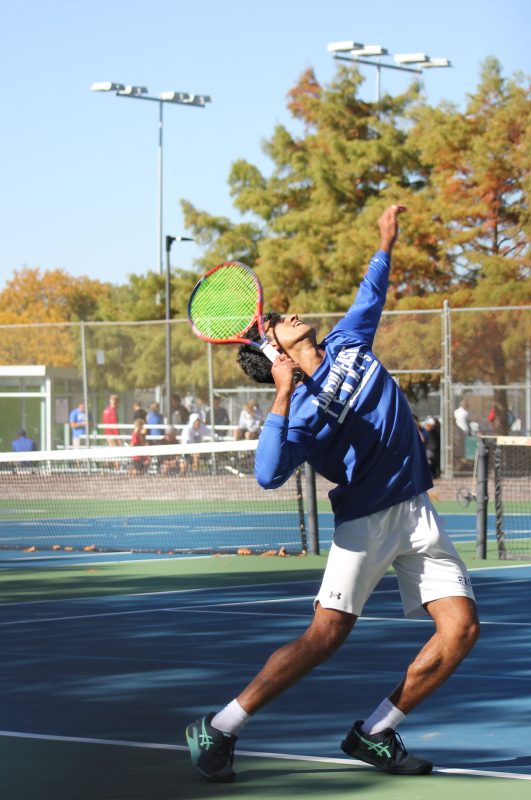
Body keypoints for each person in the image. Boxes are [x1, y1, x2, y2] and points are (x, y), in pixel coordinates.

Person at [185, 205, 479, 782]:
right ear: (273, 350)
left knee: (462, 629)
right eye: (276, 324)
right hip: (366, 523)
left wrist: (385, 242)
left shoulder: (347, 343)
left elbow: (372, 291)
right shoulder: (295, 413)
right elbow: (266, 473)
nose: (288, 315)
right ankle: (220, 727)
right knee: (326, 635)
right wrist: (281, 393)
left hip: (418, 511)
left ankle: (375, 732)